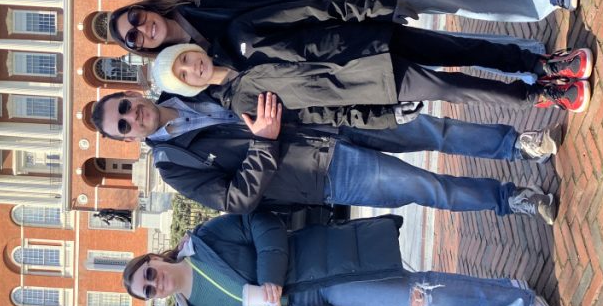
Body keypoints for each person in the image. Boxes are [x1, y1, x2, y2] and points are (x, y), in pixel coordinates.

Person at [108, 0, 587, 108]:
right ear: (141, 50)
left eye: (133, 18)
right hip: (347, 60)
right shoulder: (196, 70)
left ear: (142, 5)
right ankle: (536, 65)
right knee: (445, 48)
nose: (139, 29)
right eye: (133, 38)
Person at [90, 90, 560, 223]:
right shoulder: (174, 166)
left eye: (126, 106)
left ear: (132, 93)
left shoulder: (187, 79)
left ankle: (516, 144)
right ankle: (512, 199)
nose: (134, 117)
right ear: (130, 140)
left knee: (431, 129)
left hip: (332, 119)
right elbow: (236, 201)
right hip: (324, 172)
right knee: (427, 187)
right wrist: (264, 142)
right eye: (124, 125)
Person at [121, 211, 561, 306]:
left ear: (153, 260)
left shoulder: (205, 242)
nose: (153, 283)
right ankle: (510, 296)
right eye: (147, 290)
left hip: (321, 272)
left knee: (420, 296)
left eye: (149, 273)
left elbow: (264, 224)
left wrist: (270, 276)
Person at [150, 41, 593, 116]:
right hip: (370, 85)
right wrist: (381, 115)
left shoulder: (237, 36)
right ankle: (540, 95)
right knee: (458, 88)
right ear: (188, 86)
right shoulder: (242, 106)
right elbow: (316, 115)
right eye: (183, 75)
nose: (192, 68)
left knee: (460, 49)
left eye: (184, 59)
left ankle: (542, 64)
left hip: (365, 43)